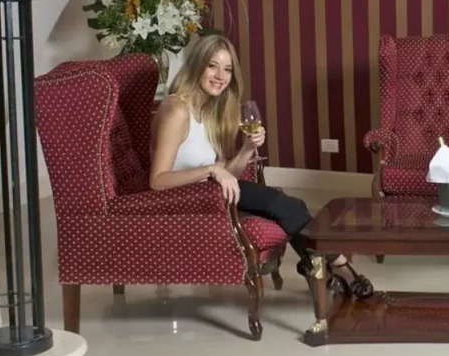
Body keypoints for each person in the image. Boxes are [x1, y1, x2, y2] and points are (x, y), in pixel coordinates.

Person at [149, 34, 372, 297]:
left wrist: (247, 148)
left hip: (209, 193)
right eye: (212, 66)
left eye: (227, 69)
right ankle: (340, 267)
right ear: (197, 65)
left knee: (292, 207)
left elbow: (227, 175)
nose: (220, 76)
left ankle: (321, 268)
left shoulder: (208, 109)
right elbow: (157, 181)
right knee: (282, 204)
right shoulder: (176, 109)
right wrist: (211, 170)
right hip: (185, 199)